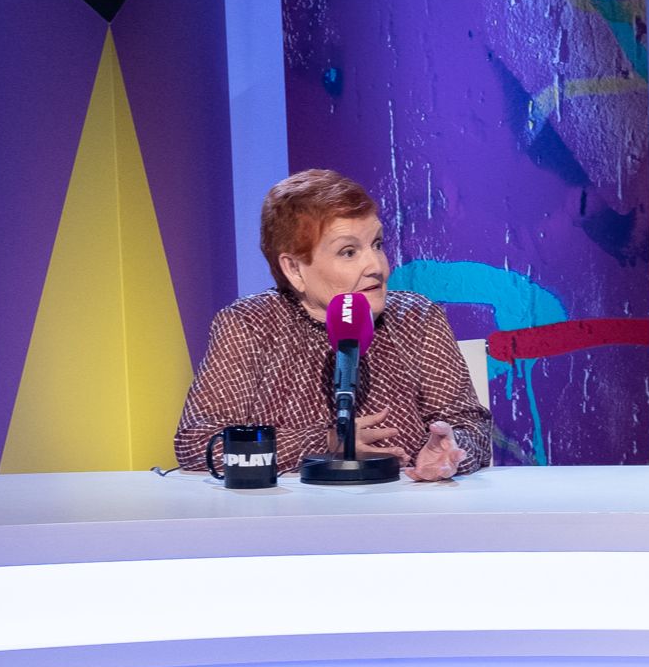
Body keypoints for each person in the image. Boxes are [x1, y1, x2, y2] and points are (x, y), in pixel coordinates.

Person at [174, 170, 490, 482]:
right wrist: (324, 442)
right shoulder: (250, 324)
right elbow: (197, 442)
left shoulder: (416, 318)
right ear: (294, 268)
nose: (376, 266)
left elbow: (470, 427)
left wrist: (449, 451)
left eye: (377, 244)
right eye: (348, 252)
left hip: (404, 508)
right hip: (287, 512)